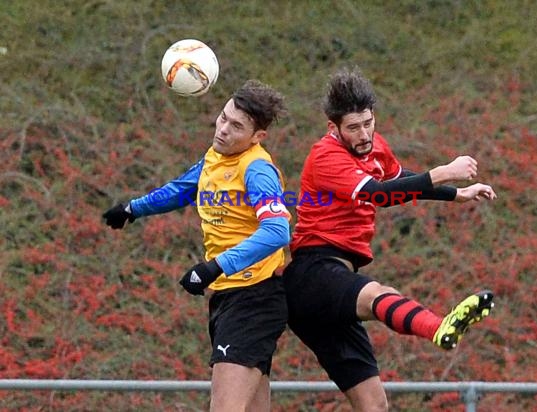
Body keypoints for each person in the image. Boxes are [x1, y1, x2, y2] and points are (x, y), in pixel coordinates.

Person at [283, 68, 497, 412]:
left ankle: (437, 327)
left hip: (333, 287)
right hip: (313, 273)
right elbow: (378, 195)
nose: (364, 133)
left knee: (374, 405)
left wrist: (455, 193)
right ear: (333, 127)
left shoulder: (375, 146)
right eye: (353, 127)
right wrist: (444, 170)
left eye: (368, 123)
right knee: (377, 294)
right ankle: (437, 327)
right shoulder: (325, 156)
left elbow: (401, 183)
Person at [102, 80, 290, 412]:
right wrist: (132, 209)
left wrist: (214, 267)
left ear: (257, 136)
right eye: (223, 118)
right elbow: (182, 188)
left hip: (254, 298)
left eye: (236, 126)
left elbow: (277, 231)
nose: (223, 129)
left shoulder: (257, 169)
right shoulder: (216, 158)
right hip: (229, 297)